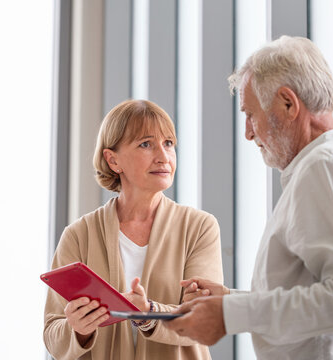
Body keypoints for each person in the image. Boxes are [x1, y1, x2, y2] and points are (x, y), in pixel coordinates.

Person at [164, 36, 333, 359]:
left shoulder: (323, 168)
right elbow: (324, 301)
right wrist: (230, 299)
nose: (248, 133)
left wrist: (230, 314)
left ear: (288, 104)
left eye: (250, 115)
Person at [43, 99, 223, 360]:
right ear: (113, 160)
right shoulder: (79, 235)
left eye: (169, 143)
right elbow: (52, 334)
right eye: (146, 144)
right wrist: (78, 330)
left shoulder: (199, 227)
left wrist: (148, 314)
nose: (163, 157)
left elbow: (204, 320)